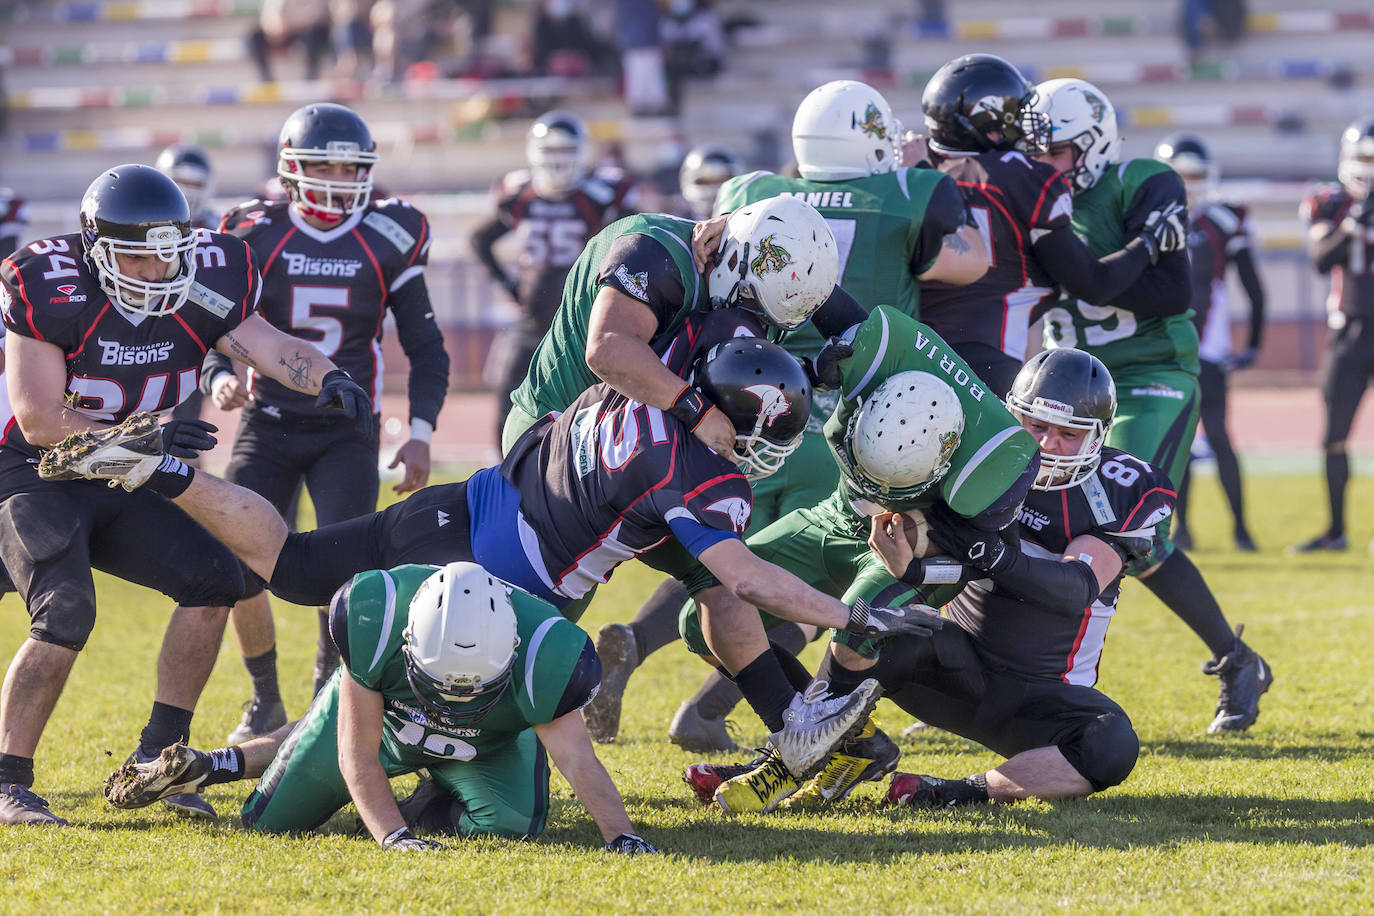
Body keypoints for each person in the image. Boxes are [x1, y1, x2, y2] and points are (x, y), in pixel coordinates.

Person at [43, 339, 955, 789]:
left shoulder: (627, 398)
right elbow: (747, 575)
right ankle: (219, 765)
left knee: (287, 562)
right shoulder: (698, 474)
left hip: (455, 504)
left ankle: (165, 474)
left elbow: (722, 578)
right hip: (492, 584)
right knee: (438, 725)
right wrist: (854, 616)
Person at [584, 79, 990, 751]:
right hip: (835, 421)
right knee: (802, 576)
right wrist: (924, 173)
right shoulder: (911, 192)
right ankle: (729, 712)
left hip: (729, 399)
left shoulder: (752, 194)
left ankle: (645, 647)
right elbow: (973, 263)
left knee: (715, 554)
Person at [0, 163, 373, 826]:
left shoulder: (209, 277)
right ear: (96, 251)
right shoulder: (49, 286)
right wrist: (147, 439)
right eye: (137, 260)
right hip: (37, 471)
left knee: (216, 579)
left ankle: (158, 761)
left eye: (166, 256)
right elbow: (42, 422)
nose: (154, 273)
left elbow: (268, 343)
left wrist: (327, 377)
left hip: (125, 470)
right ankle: (8, 782)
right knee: (66, 609)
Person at [680, 304, 1040, 813]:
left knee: (860, 618)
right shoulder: (880, 360)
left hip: (911, 550)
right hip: (837, 514)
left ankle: (786, 762)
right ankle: (857, 741)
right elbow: (827, 300)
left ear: (946, 456)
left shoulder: (993, 468)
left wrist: (914, 569)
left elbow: (979, 563)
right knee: (703, 612)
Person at [103, 561, 657, 853]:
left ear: (512, 649)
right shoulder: (376, 614)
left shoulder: (549, 652)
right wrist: (395, 839)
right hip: (389, 722)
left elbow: (579, 760)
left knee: (510, 826)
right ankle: (216, 765)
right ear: (410, 641)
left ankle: (434, 793)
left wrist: (622, 837)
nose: (451, 699)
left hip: (491, 741)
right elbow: (356, 751)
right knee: (268, 824)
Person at [1030, 78, 1271, 733]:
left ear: (1094, 142)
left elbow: (1172, 296)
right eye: (1036, 151)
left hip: (1148, 371)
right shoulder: (1023, 192)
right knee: (1012, 510)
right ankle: (992, 667)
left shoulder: (1143, 181)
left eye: (1058, 151)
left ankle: (1228, 659)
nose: (1045, 165)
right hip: (1058, 387)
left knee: (1114, 513)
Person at [205, 102, 450, 745]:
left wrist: (420, 431)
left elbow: (426, 346)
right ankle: (263, 699)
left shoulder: (390, 233)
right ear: (291, 168)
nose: (341, 178)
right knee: (237, 563)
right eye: (325, 165)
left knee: (343, 570)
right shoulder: (252, 231)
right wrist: (217, 376)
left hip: (346, 428)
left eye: (352, 166)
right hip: (267, 419)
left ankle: (327, 687)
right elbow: (211, 327)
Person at [848, 349, 1159, 808]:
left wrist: (994, 556)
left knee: (1110, 745)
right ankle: (803, 753)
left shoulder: (1117, 488)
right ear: (1013, 415)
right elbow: (955, 560)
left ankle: (956, 792)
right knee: (864, 625)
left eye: (1069, 434)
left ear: (1098, 437)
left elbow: (1074, 589)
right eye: (1037, 426)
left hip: (1041, 697)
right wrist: (912, 565)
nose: (1049, 444)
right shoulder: (973, 458)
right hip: (953, 665)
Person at [915, 53, 1187, 398]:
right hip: (993, 352)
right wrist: (1148, 242)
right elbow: (1092, 282)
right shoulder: (1025, 177)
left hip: (917, 348)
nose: (1038, 156)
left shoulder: (916, 168)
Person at [503, 194, 860, 456]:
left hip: (612, 435)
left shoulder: (771, 269)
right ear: (735, 261)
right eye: (755, 307)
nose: (757, 326)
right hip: (550, 431)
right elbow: (608, 349)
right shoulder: (655, 252)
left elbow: (858, 327)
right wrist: (698, 414)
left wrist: (810, 375)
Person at [471, 110, 638, 443]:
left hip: (582, 316)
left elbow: (633, 238)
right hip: (533, 316)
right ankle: (502, 464)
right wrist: (510, 285)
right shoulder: (520, 194)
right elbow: (480, 239)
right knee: (511, 390)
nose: (559, 160)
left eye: (566, 149)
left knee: (594, 395)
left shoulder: (600, 194)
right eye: (551, 150)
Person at [1154, 132, 1265, 551]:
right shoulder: (1143, 220)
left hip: (1208, 350)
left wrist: (1253, 342)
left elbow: (1255, 287)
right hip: (1163, 349)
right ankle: (1181, 530)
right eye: (1181, 175)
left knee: (1217, 436)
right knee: (1177, 440)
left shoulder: (1223, 219)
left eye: (1196, 174)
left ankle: (1240, 527)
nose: (1189, 183)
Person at [1291, 117, 1374, 553]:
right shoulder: (1331, 202)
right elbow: (1323, 258)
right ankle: (1337, 531)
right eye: (1365, 158)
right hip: (1350, 331)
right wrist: (1356, 220)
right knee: (1335, 436)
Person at [156, 146, 221, 447]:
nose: (188, 192)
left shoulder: (218, 230)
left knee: (187, 430)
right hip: (142, 333)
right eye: (180, 181)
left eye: (196, 184)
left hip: (192, 338)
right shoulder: (143, 222)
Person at [677, 145, 742, 220]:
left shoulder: (746, 221)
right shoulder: (677, 224)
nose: (715, 189)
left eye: (723, 181)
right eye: (706, 181)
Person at [0, 187, 30, 259]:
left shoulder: (16, 203)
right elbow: (25, 219)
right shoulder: (20, 203)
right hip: (13, 230)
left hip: (7, 231)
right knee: (10, 253)